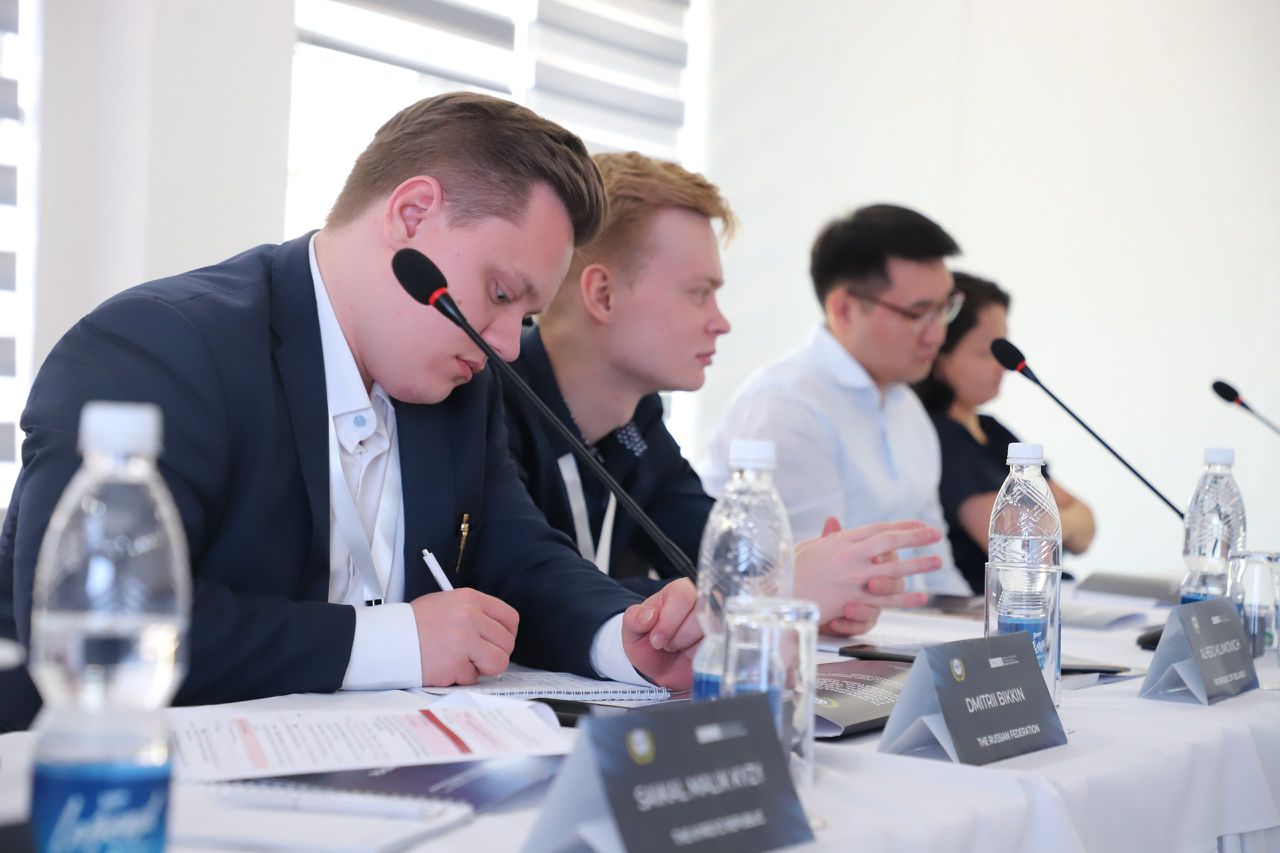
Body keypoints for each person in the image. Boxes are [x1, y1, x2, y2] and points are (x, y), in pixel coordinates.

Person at [0, 93, 700, 731]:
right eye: (498, 293)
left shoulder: (459, 381)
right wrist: (393, 642)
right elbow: (98, 623)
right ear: (412, 214)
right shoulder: (158, 346)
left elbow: (518, 556)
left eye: (526, 316)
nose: (505, 346)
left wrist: (624, 637)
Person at [504, 154, 943, 637]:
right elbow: (521, 589)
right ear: (604, 295)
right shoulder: (491, 404)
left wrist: (816, 587)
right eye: (699, 293)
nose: (721, 322)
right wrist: (775, 591)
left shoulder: (636, 421)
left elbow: (715, 554)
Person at [701, 203, 972, 595]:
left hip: (897, 624)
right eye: (918, 314)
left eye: (944, 308)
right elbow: (806, 586)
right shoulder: (788, 405)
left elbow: (934, 567)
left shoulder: (906, 407)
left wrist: (983, 625)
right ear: (843, 309)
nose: (938, 334)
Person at [914, 272, 1095, 592]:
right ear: (940, 353)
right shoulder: (938, 435)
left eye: (1003, 349)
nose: (1002, 366)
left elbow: (1086, 530)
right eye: (986, 353)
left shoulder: (992, 430)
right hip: (990, 604)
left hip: (1051, 594)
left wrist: (1041, 523)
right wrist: (1052, 521)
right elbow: (1020, 545)